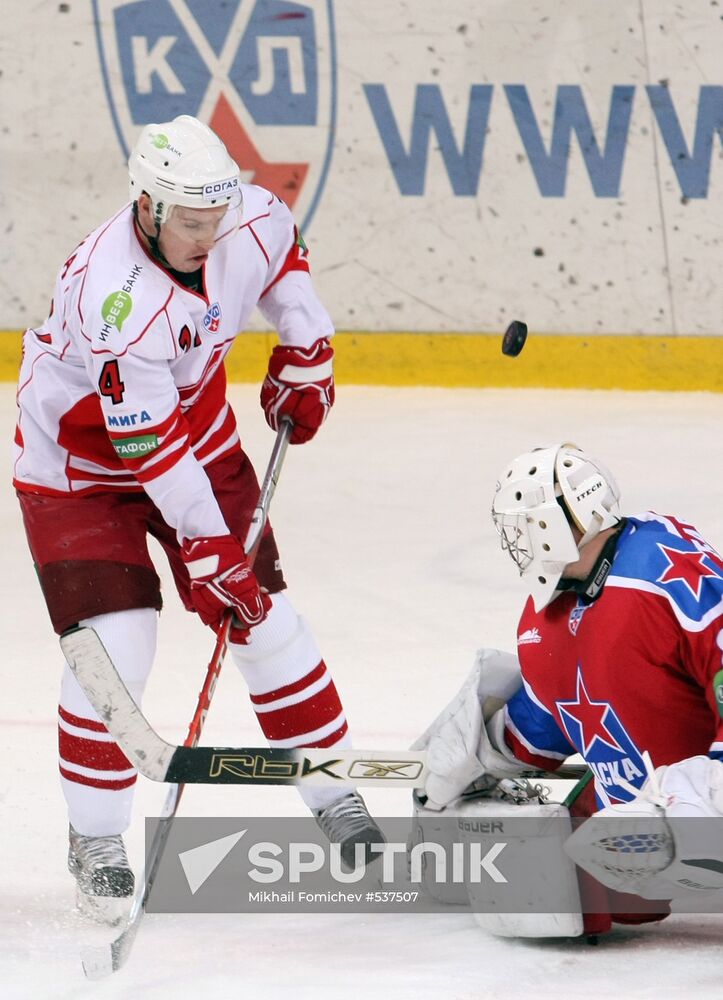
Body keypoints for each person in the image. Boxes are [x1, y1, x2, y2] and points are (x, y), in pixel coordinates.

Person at [13, 115, 382, 922]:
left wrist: (305, 344)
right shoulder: (111, 299)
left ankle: (332, 791)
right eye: (189, 223)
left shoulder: (242, 216)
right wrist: (209, 547)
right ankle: (98, 839)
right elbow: (145, 445)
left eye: (215, 220)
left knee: (267, 621)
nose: (207, 238)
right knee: (118, 652)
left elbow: (280, 263)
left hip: (202, 443)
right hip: (80, 473)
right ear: (144, 204)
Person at [414, 442, 723, 936]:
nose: (516, 538)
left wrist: (712, 787)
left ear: (562, 524)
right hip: (639, 815)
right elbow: (552, 714)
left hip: (701, 796)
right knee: (535, 895)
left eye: (524, 522)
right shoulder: (545, 620)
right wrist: (482, 751)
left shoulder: (662, 567)